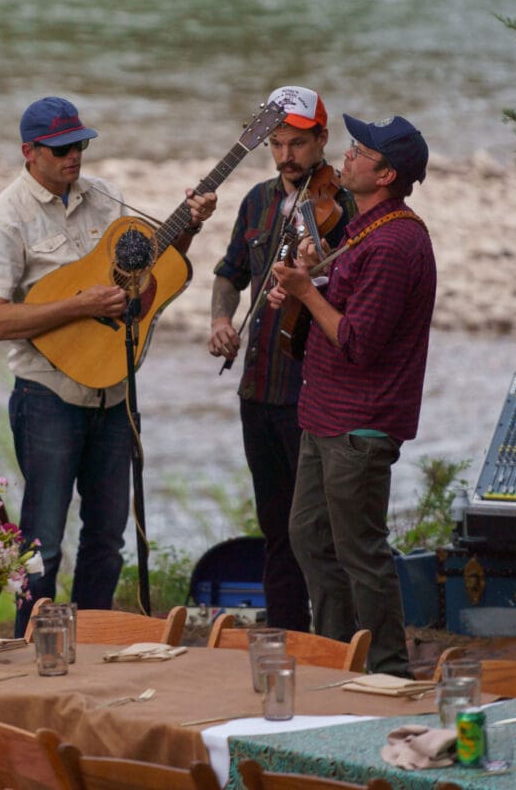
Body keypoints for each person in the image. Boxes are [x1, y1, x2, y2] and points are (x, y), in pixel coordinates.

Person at [0, 97, 215, 633]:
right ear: (29, 152)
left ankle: (97, 641)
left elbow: (141, 269)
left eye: (80, 144)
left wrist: (190, 228)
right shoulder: (7, 217)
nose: (74, 156)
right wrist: (78, 305)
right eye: (61, 149)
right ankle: (31, 644)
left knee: (108, 537)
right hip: (47, 395)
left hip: (114, 390)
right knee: (43, 539)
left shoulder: (106, 197)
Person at [270, 113, 435, 676]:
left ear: (386, 174)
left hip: (359, 425)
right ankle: (336, 660)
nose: (347, 154)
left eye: (361, 150)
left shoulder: (394, 243)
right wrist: (308, 286)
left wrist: (304, 295)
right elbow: (341, 306)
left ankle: (388, 672)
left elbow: (358, 341)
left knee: (361, 553)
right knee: (309, 536)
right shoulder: (366, 229)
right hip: (326, 414)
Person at [207, 86, 355, 633]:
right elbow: (229, 273)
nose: (286, 155)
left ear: (321, 140)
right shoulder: (256, 200)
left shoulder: (346, 208)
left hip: (312, 393)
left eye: (297, 143)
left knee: (316, 532)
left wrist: (313, 273)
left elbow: (349, 298)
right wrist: (222, 320)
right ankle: (288, 638)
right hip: (258, 388)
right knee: (274, 528)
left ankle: (336, 639)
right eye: (276, 144)